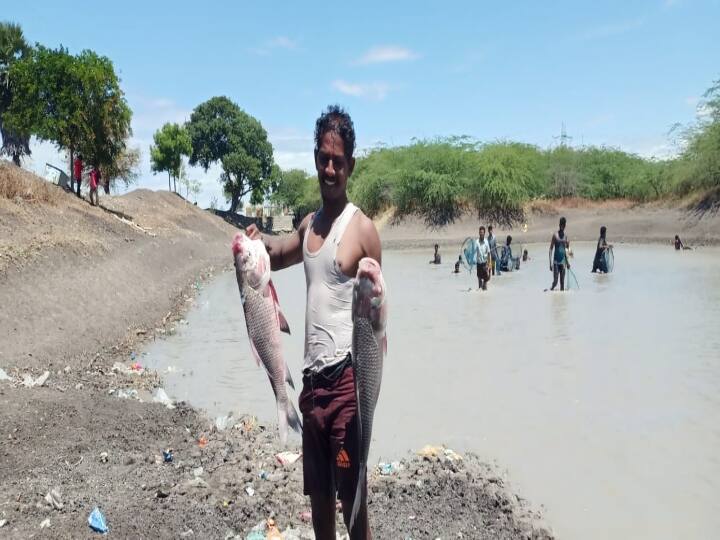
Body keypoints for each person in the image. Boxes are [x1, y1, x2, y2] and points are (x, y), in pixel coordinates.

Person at [246, 105, 380, 540]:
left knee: (352, 505)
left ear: (351, 165)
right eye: (323, 157)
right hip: (311, 387)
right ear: (315, 158)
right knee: (319, 505)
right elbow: (277, 254)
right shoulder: (308, 225)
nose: (329, 168)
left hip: (346, 384)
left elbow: (379, 320)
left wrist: (369, 391)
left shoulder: (362, 230)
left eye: (338, 160)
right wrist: (253, 242)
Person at [549, 217, 569, 291]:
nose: (562, 227)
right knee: (556, 281)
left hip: (563, 262)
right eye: (561, 225)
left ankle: (561, 300)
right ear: (559, 225)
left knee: (562, 282)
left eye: (564, 225)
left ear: (565, 226)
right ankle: (551, 288)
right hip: (556, 262)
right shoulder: (555, 236)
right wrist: (550, 262)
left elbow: (566, 251)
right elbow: (550, 249)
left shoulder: (566, 237)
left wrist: (568, 262)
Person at [474, 226, 491, 290]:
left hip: (485, 264)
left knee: (485, 283)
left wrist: (489, 264)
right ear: (479, 233)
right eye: (480, 232)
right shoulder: (476, 242)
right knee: (479, 283)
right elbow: (473, 252)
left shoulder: (486, 242)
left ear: (484, 233)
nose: (481, 234)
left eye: (482, 232)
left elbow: (489, 253)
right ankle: (480, 293)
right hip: (478, 264)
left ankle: (484, 296)